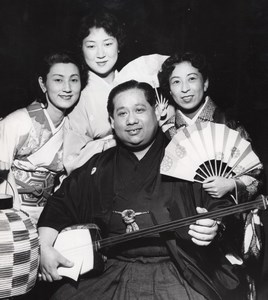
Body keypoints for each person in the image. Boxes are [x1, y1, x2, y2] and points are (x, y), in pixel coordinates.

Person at [38, 80, 246, 300]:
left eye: (139, 110)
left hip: (176, 267)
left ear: (156, 112)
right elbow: (60, 205)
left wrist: (214, 225)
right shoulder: (98, 166)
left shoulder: (189, 158)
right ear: (111, 121)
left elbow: (220, 207)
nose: (131, 120)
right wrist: (44, 247)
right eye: (122, 113)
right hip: (110, 268)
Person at [63, 7, 170, 174]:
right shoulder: (79, 94)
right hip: (103, 174)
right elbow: (72, 160)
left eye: (108, 44)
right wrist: (116, 140)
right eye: (91, 46)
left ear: (118, 45)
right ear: (81, 49)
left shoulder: (136, 80)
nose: (100, 54)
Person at [158, 51, 263, 203]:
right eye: (176, 82)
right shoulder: (166, 131)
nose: (184, 88)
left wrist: (232, 184)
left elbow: (256, 173)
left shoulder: (228, 123)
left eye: (192, 79)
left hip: (227, 213)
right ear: (169, 89)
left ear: (205, 83)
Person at [0, 51, 85, 223]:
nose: (67, 88)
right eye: (58, 80)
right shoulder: (18, 121)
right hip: (11, 211)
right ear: (43, 83)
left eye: (74, 80)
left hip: (49, 212)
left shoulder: (72, 127)